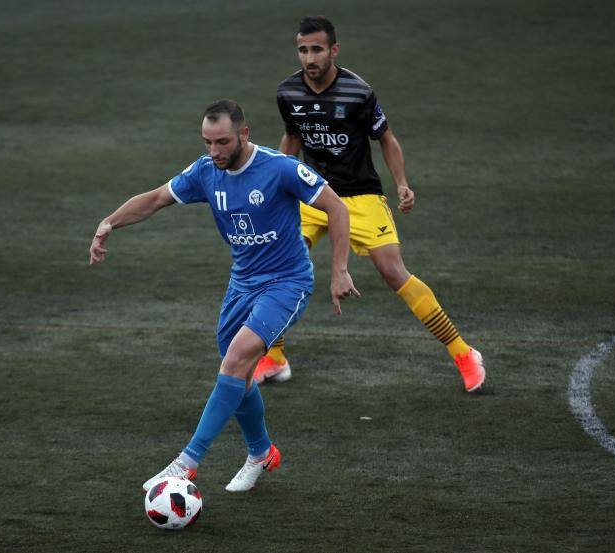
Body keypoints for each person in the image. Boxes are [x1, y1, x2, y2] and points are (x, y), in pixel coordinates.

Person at [89, 100, 358, 492]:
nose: (214, 151)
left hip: (286, 283)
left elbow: (335, 207)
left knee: (236, 359)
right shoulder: (205, 172)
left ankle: (186, 463)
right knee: (239, 372)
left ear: (244, 135)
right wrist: (109, 222)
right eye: (207, 142)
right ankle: (261, 452)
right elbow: (156, 198)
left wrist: (339, 270)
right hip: (241, 284)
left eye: (223, 142)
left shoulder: (278, 167)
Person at [254, 16, 486, 392]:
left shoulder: (358, 91)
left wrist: (402, 184)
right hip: (313, 194)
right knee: (276, 266)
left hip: (360, 194)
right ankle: (275, 358)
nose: (309, 58)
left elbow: (387, 139)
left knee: (393, 271)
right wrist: (279, 185)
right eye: (302, 50)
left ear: (334, 50)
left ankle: (463, 352)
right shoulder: (288, 93)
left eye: (316, 49)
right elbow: (291, 140)